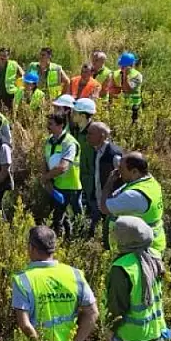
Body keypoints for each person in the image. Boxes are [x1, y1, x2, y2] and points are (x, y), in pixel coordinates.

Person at [12, 226, 98, 341]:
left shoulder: (22, 280)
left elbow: (25, 324)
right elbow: (93, 312)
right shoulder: (74, 274)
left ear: (31, 248)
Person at [106, 216, 167, 341]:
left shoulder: (122, 267)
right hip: (151, 327)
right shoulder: (153, 256)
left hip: (130, 331)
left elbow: (117, 307)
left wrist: (111, 332)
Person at [100, 153, 166, 256]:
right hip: (152, 244)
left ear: (135, 172)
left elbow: (104, 207)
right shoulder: (150, 182)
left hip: (140, 249)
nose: (119, 172)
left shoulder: (134, 196)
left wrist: (109, 182)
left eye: (121, 168)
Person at [42, 113, 82, 239]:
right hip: (56, 185)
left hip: (71, 187)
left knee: (76, 218)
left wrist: (46, 177)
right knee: (58, 218)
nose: (48, 126)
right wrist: (47, 180)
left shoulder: (69, 143)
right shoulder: (49, 141)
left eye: (51, 124)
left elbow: (63, 166)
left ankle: (78, 241)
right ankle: (63, 241)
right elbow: (45, 161)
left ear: (61, 125)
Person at [87, 121, 123, 247]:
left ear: (102, 136)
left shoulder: (114, 154)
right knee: (95, 230)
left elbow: (124, 177)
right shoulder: (97, 151)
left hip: (110, 201)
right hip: (98, 198)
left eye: (91, 134)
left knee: (109, 235)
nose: (87, 136)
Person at [71, 97, 96, 233]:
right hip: (77, 175)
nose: (72, 115)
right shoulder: (75, 130)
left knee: (91, 207)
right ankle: (79, 230)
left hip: (90, 178)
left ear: (82, 115)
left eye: (75, 112)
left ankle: (89, 233)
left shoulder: (94, 133)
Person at [109, 52, 143, 123]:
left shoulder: (137, 75)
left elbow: (128, 90)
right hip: (119, 107)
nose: (121, 67)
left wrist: (125, 76)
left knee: (134, 128)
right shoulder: (114, 74)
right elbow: (111, 91)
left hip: (134, 108)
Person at [0, 47, 22, 111]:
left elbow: (22, 75)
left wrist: (18, 88)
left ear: (8, 56)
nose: (2, 58)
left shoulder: (13, 64)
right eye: (1, 55)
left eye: (5, 56)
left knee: (9, 113)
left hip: (8, 94)